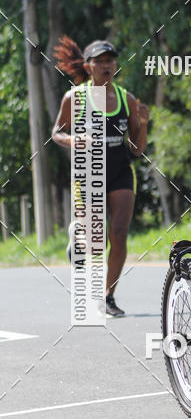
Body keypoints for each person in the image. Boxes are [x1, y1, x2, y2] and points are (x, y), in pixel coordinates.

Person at [52, 37, 149, 316]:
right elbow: (56, 132)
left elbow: (137, 149)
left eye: (110, 61)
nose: (107, 66)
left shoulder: (125, 98)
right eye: (100, 61)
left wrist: (142, 125)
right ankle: (78, 239)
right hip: (88, 172)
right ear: (88, 65)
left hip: (120, 171)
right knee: (98, 240)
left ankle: (108, 296)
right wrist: (73, 140)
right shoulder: (74, 97)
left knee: (118, 234)